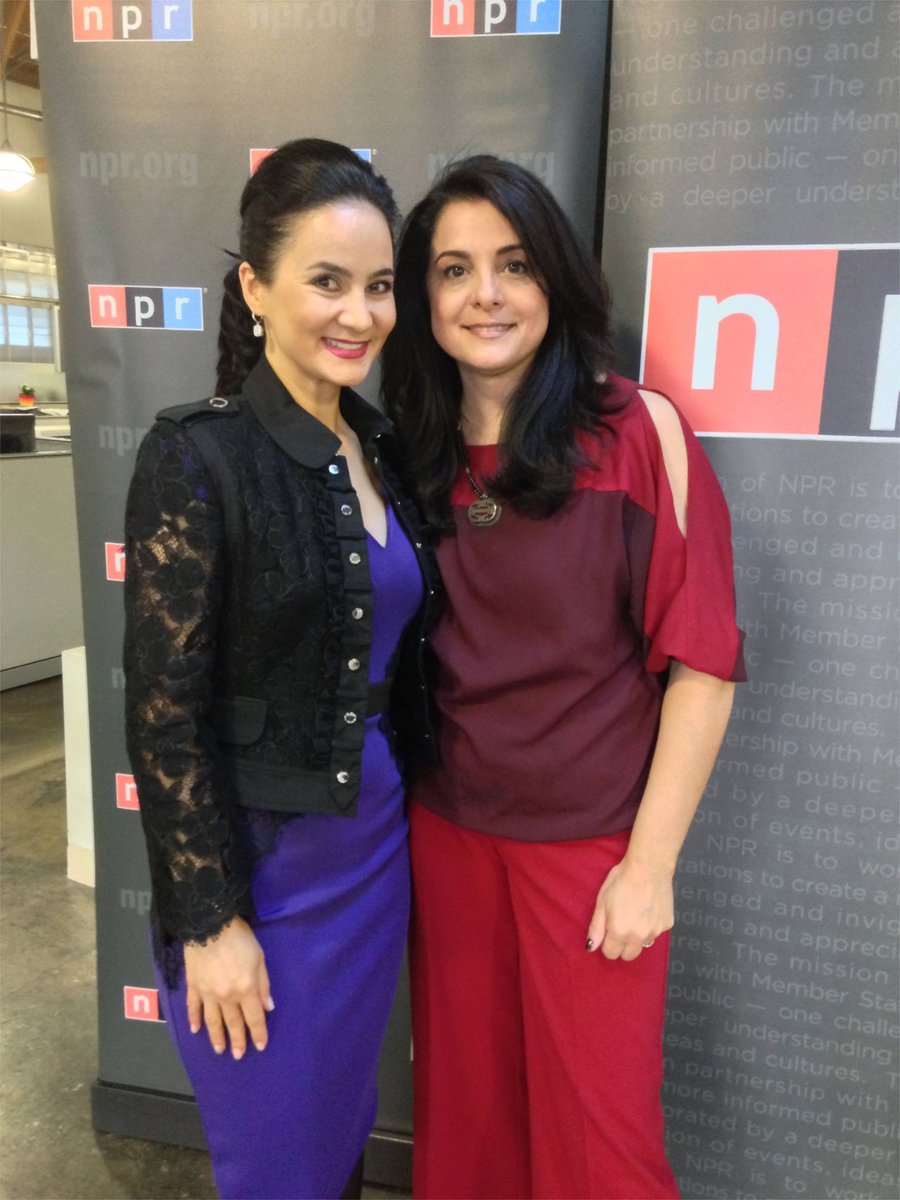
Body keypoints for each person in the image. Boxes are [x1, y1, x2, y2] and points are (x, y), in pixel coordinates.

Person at [381, 155, 746, 1200]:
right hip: (446, 841)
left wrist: (649, 869)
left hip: (591, 856)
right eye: (454, 270)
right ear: (423, 298)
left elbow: (704, 664)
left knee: (602, 1150)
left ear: (556, 279)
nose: (484, 295)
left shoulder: (638, 433)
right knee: (470, 1133)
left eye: (514, 264)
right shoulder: (405, 451)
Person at [123, 138, 440, 1200]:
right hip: (264, 886)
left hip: (373, 858)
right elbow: (164, 714)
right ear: (256, 288)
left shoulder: (384, 448)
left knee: (338, 1147)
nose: (361, 313)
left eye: (380, 286)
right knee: (278, 1172)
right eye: (327, 281)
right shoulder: (196, 455)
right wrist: (209, 922)